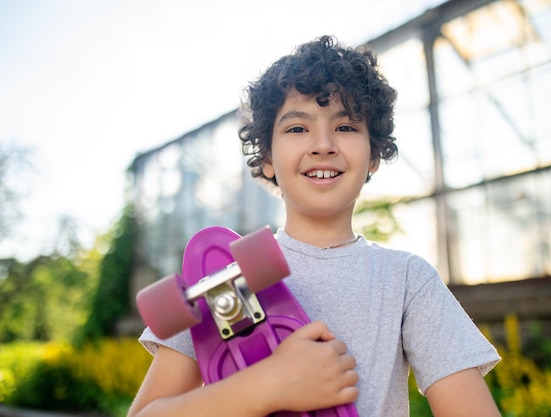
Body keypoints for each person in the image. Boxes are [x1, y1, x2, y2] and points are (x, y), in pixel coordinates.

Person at [127, 35, 501, 417]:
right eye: (297, 128)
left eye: (346, 127)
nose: (323, 144)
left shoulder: (406, 281)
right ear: (268, 158)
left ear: (373, 155)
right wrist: (269, 384)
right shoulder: (225, 279)